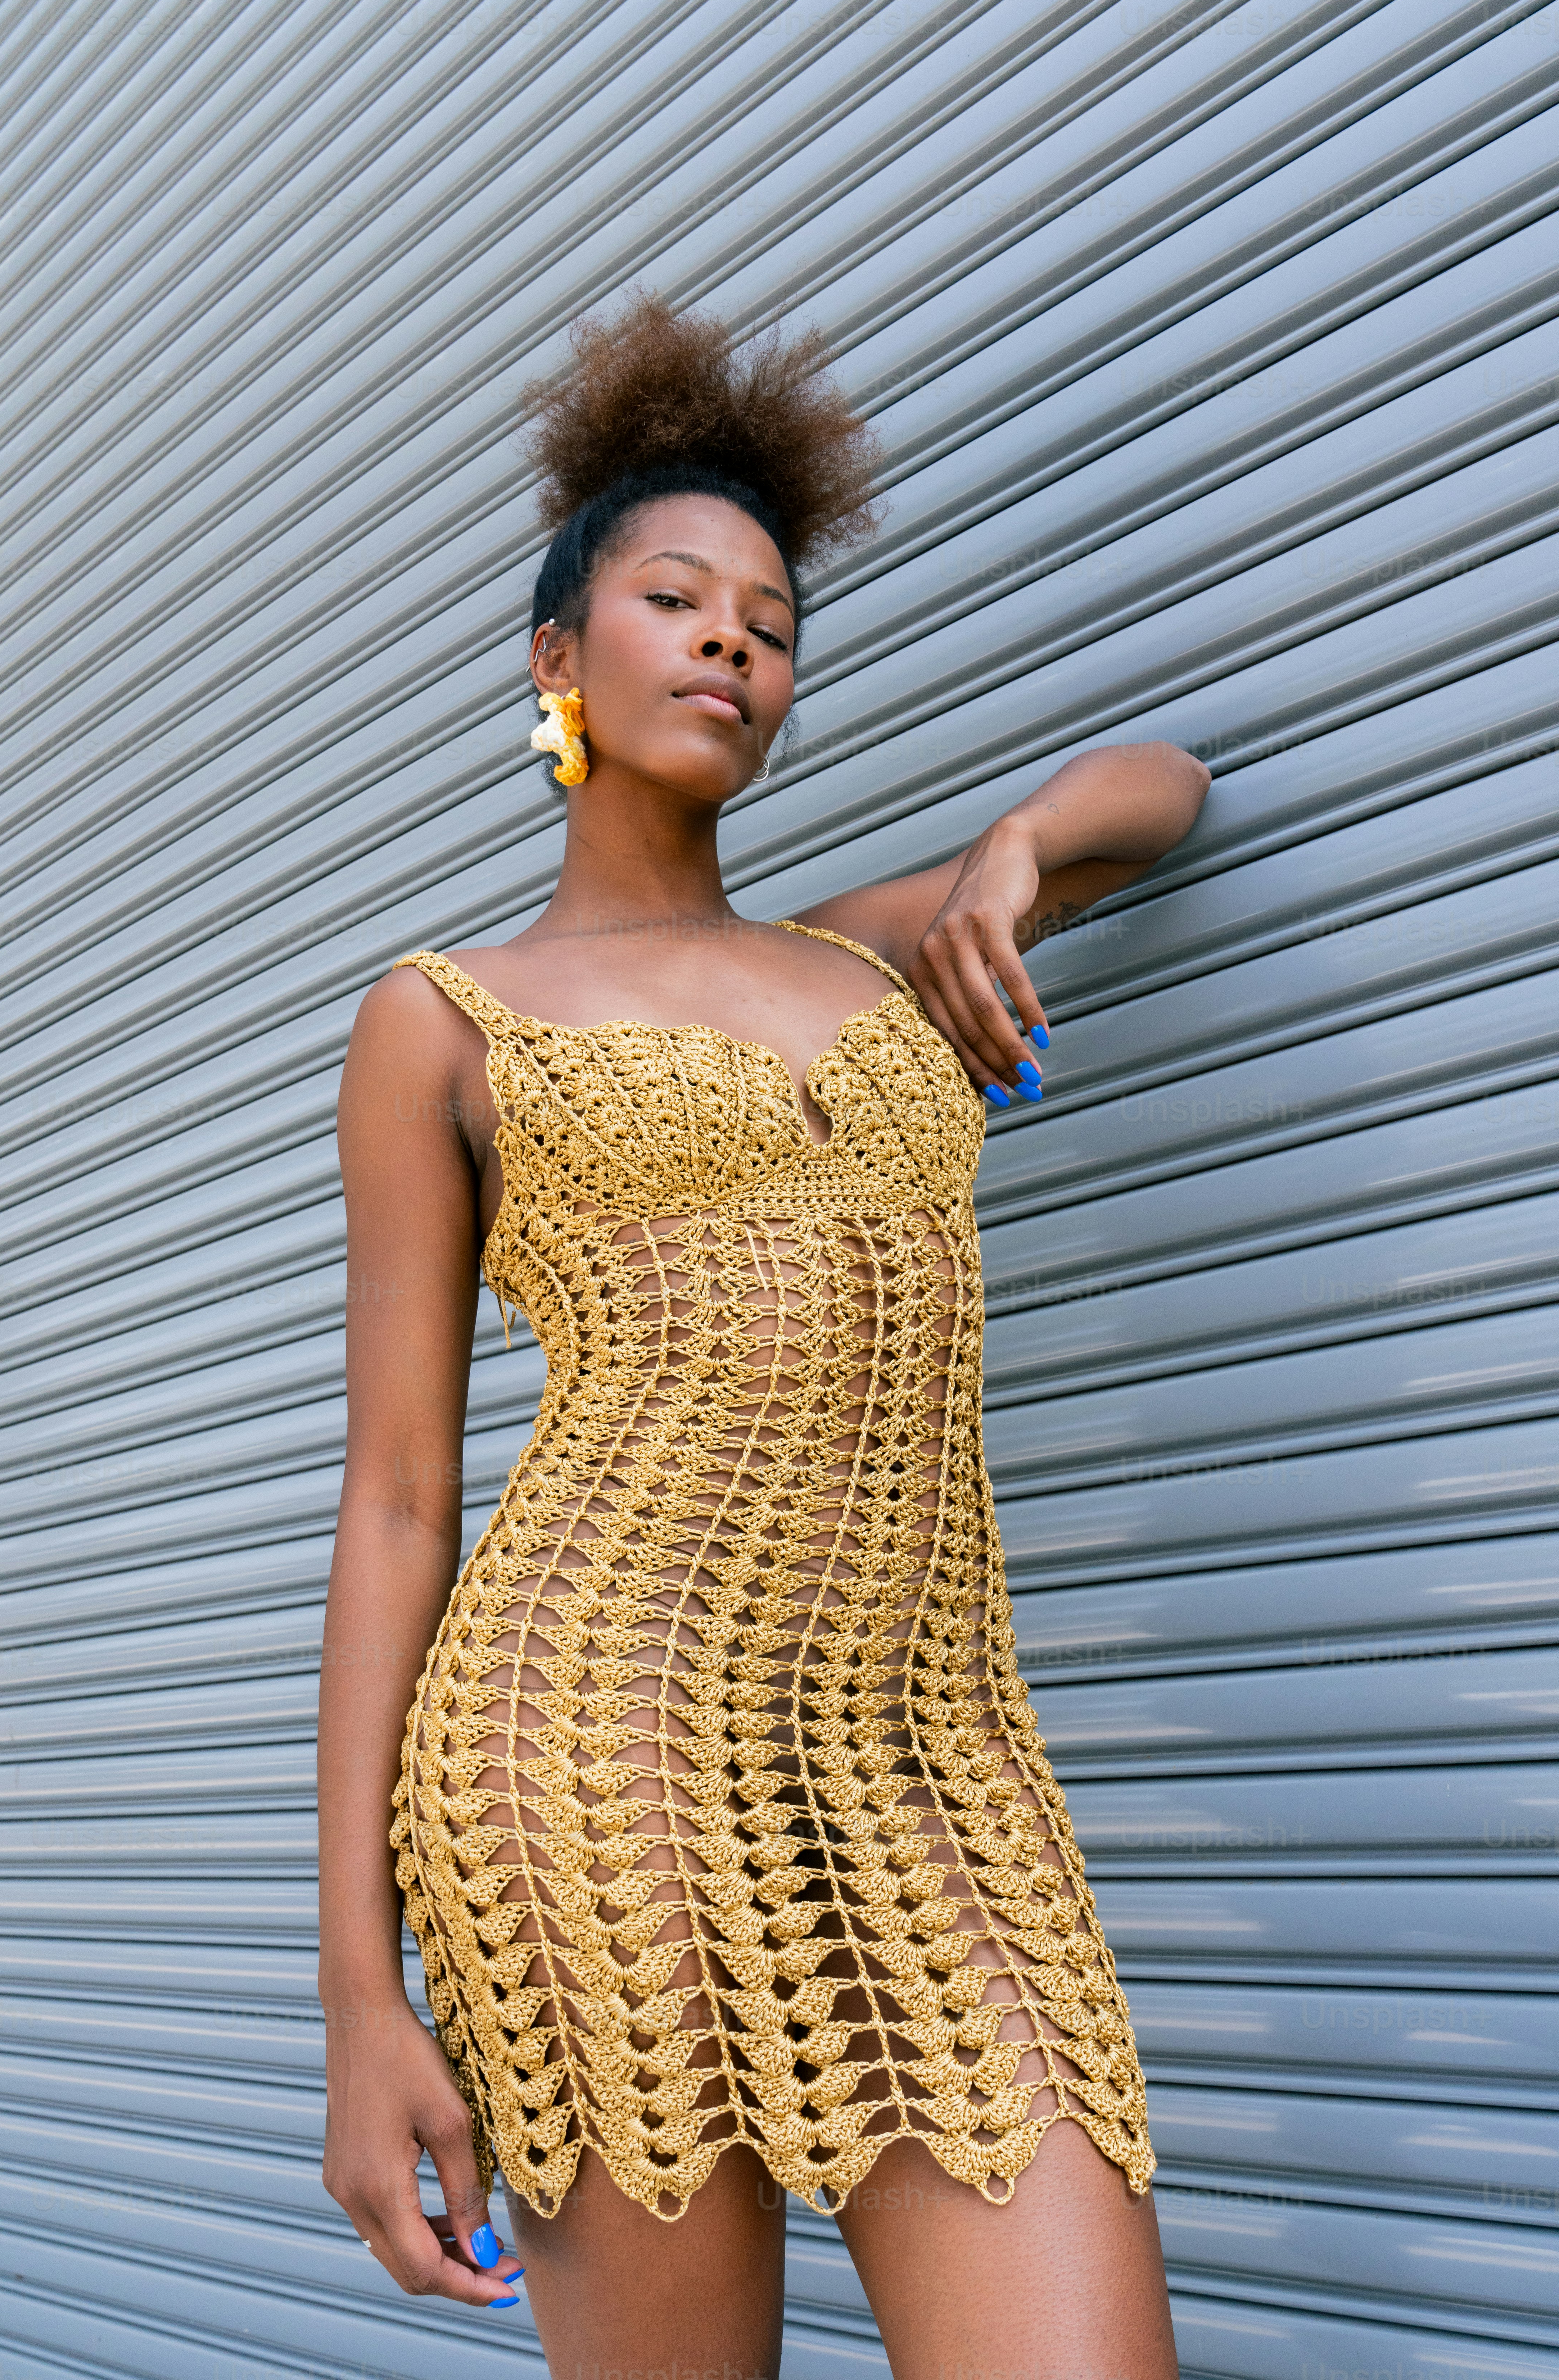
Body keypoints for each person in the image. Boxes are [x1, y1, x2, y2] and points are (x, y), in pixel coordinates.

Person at [318, 293, 1208, 2380]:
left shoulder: (873, 953)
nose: (732, 639)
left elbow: (1163, 789)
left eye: (773, 620)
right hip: (584, 1758)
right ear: (560, 661)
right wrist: (363, 1998)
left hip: (921, 1764)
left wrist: (1017, 847)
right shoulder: (441, 1016)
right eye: (672, 597)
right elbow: (393, 1498)